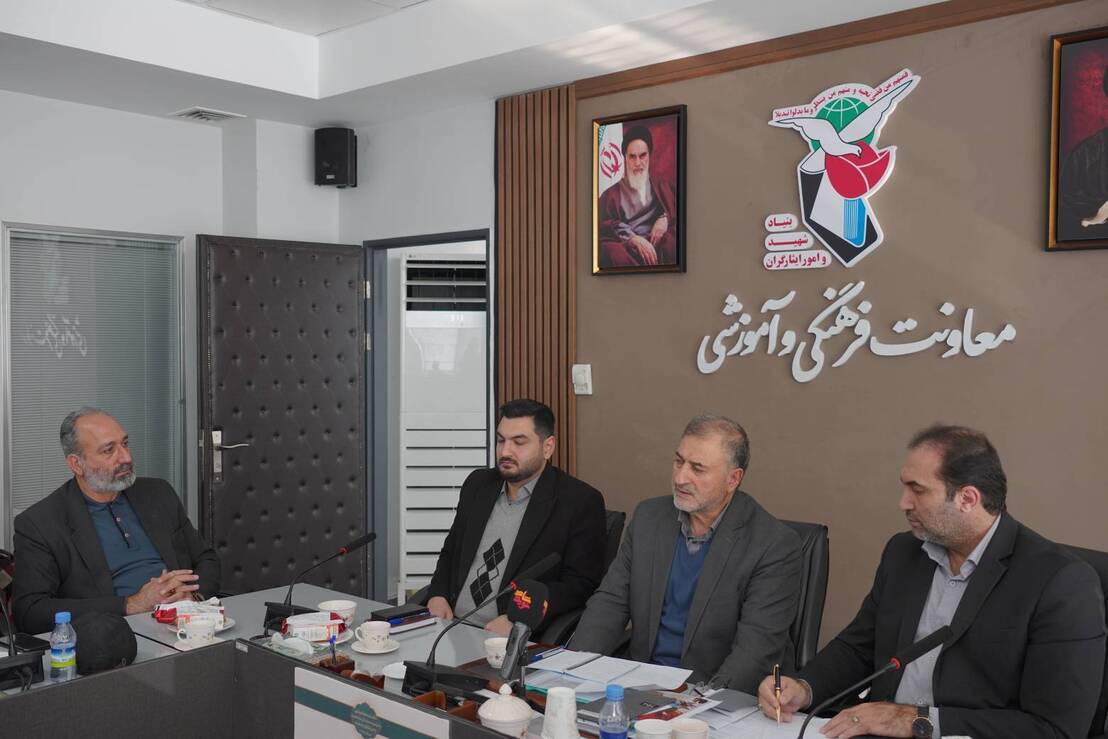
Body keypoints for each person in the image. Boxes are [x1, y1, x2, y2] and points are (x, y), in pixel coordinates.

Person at [759, 424, 1106, 739]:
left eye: (918, 490)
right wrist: (804, 687)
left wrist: (914, 720)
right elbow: (859, 646)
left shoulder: (1060, 582)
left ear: (967, 499)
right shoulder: (903, 552)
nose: (903, 503)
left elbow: (1055, 728)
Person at [571, 415, 802, 693]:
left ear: (733, 479)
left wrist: (699, 702)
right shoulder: (649, 518)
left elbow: (754, 653)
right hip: (640, 683)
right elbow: (610, 603)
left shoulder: (773, 545)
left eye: (697, 469)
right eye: (678, 461)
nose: (680, 478)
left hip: (715, 694)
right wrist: (572, 670)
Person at [13, 408, 220, 634]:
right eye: (108, 450)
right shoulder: (40, 523)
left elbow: (206, 558)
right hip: (113, 636)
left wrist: (193, 598)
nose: (126, 458)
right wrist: (131, 604)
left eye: (125, 444)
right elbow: (30, 612)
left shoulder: (158, 493)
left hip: (188, 624)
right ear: (76, 464)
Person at [426, 399, 607, 635]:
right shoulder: (478, 484)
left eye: (519, 442)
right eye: (501, 440)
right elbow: (452, 550)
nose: (505, 452)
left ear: (548, 447)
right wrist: (437, 594)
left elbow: (580, 585)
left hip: (506, 635)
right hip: (449, 626)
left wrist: (519, 619)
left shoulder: (579, 501)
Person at [597, 125, 678, 268]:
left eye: (642, 155)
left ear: (650, 155)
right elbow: (604, 225)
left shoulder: (663, 186)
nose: (638, 163)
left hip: (658, 248)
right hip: (628, 250)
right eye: (632, 157)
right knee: (611, 251)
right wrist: (632, 238)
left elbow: (681, 209)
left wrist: (664, 218)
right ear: (625, 157)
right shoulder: (610, 195)